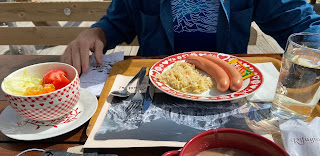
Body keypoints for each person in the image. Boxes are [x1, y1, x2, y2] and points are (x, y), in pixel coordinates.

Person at [61, 0, 320, 74]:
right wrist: (97, 32)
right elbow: (117, 23)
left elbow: (304, 25)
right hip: (153, 89)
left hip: (228, 92)